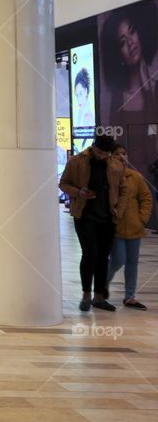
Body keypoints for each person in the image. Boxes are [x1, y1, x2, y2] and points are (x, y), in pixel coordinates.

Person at [60, 133, 122, 311]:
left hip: (108, 217)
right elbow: (63, 183)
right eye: (100, 152)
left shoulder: (115, 165)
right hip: (85, 215)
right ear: (94, 147)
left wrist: (119, 209)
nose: (102, 156)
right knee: (89, 254)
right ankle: (86, 294)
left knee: (103, 257)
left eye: (106, 153)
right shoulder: (77, 161)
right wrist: (79, 192)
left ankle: (99, 297)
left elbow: (124, 189)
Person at [107, 144, 152, 310]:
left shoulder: (136, 177)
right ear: (110, 157)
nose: (121, 157)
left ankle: (130, 296)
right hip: (116, 226)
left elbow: (146, 198)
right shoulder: (108, 176)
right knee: (117, 261)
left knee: (132, 262)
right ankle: (100, 289)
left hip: (135, 226)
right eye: (117, 154)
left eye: (124, 153)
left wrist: (142, 218)